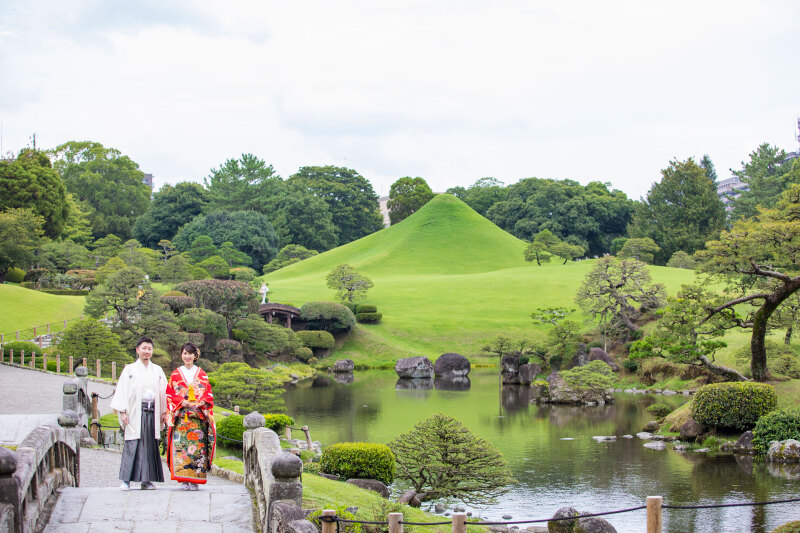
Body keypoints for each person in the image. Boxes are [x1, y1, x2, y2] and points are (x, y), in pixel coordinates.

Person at [110, 336, 168, 490]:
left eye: (149, 348)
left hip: (152, 411)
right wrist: (123, 412)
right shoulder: (130, 369)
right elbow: (122, 391)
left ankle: (146, 480)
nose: (146, 351)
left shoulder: (158, 370)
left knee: (150, 445)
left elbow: (164, 392)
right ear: (137, 350)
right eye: (144, 348)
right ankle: (125, 480)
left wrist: (164, 411)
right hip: (136, 411)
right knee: (132, 444)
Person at [166, 342, 216, 490]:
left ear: (195, 356)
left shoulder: (202, 374)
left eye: (190, 353)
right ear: (181, 355)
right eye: (184, 353)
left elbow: (208, 394)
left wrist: (202, 402)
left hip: (198, 418)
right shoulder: (175, 374)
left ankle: (195, 480)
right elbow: (170, 394)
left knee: (198, 449)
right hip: (182, 417)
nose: (187, 356)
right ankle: (183, 479)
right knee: (181, 447)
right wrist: (182, 402)